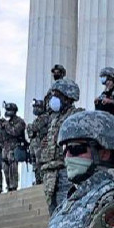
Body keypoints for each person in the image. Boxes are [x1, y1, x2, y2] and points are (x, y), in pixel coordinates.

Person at [38, 78, 83, 214]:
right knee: (54, 213)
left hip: (66, 170)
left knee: (66, 211)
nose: (53, 99)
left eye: (57, 95)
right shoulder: (54, 118)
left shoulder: (76, 115)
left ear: (68, 97)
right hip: (50, 172)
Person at [2, 102, 27, 192]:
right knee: (5, 167)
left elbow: (15, 131)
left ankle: (13, 186)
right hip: (5, 148)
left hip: (15, 147)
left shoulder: (20, 121)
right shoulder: (6, 122)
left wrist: (6, 126)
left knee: (13, 166)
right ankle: (8, 186)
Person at [26, 99, 49, 185]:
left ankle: (42, 180)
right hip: (34, 144)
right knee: (34, 163)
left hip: (40, 143)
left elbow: (35, 128)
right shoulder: (37, 119)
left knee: (40, 162)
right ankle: (38, 180)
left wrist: (29, 127)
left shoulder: (45, 117)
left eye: (37, 107)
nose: (35, 109)